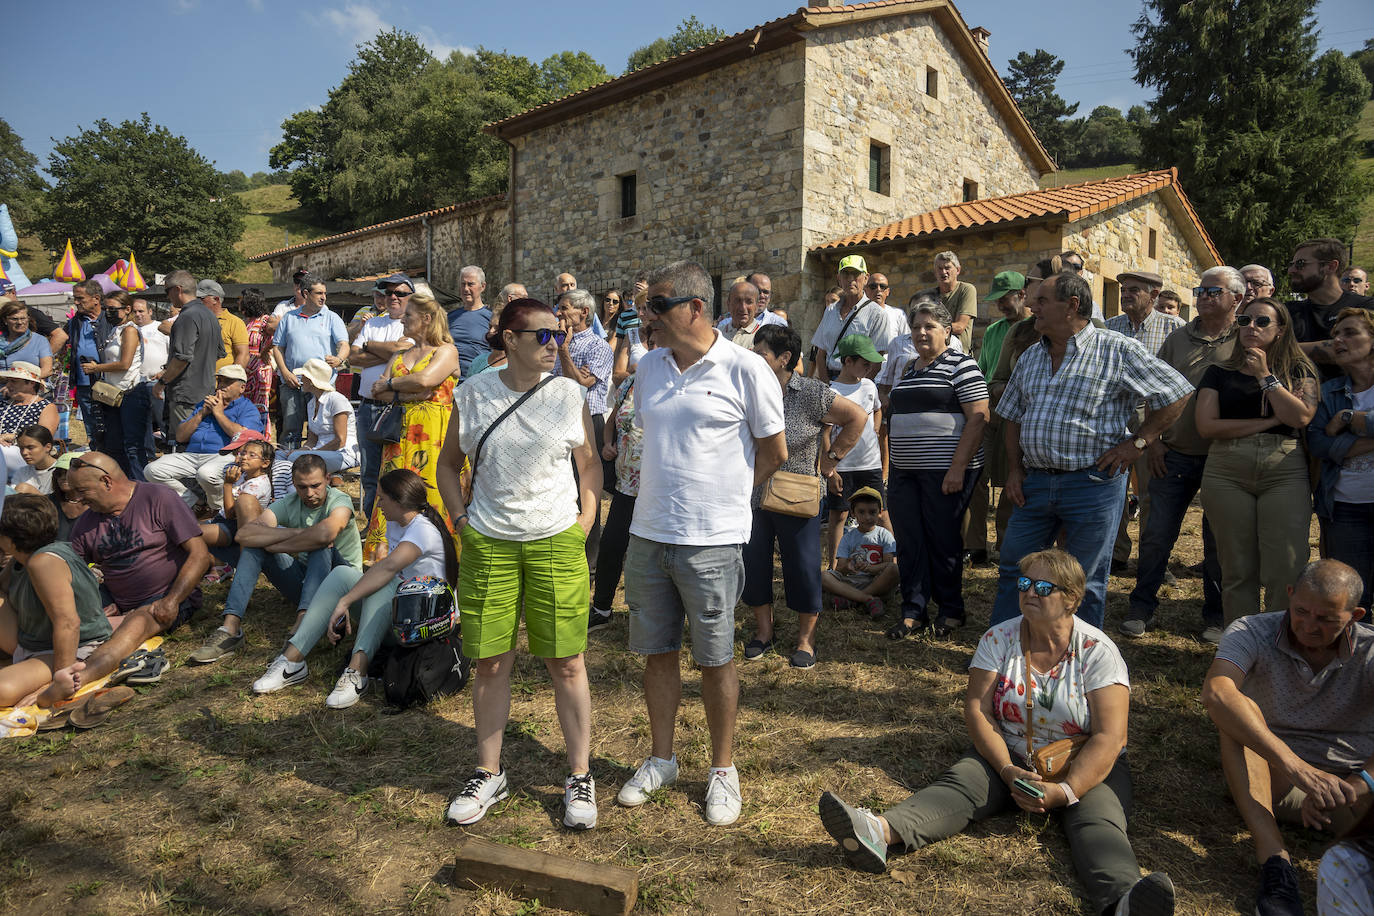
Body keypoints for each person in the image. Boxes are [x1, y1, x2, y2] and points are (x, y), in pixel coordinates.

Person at [818, 548, 1175, 916]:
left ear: (1072, 599)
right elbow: (978, 708)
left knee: (1097, 822)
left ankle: (1124, 902)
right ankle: (877, 832)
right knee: (959, 785)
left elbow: (1110, 737)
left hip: (1085, 762)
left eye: (1041, 586)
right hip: (1010, 754)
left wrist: (1065, 792)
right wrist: (1005, 769)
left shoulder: (1098, 652)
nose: (1029, 593)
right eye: (1023, 583)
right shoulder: (998, 639)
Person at [615, 261, 786, 827]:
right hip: (649, 534)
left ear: (694, 307)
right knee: (657, 652)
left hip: (712, 541)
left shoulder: (746, 369)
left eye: (657, 305)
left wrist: (729, 499)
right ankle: (662, 759)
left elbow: (774, 452)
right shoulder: (649, 369)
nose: (647, 316)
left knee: (716, 658)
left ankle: (721, 770)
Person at [435, 297, 602, 829]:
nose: (555, 345)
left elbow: (590, 465)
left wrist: (585, 519)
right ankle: (489, 772)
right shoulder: (472, 393)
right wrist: (461, 521)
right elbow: (446, 465)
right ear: (509, 339)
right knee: (490, 662)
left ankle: (579, 774)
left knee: (567, 662)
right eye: (543, 336)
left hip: (557, 540)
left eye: (560, 335)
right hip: (490, 543)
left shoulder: (570, 394)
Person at [992, 271, 1192, 629]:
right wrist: (1015, 471)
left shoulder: (1117, 348)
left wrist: (1139, 443)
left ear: (1071, 306)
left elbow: (1177, 392)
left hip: (1093, 484)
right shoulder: (1030, 357)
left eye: (1040, 301)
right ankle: (1006, 647)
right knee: (1015, 568)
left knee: (1085, 579)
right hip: (1034, 484)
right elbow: (1013, 417)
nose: (1030, 306)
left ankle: (1078, 657)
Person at [1200, 559, 1374, 916]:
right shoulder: (1251, 630)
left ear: (1355, 615)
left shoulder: (1371, 650)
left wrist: (1355, 786)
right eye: (1301, 611)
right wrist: (1296, 769)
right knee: (1236, 713)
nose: (1309, 625)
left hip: (1350, 786)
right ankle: (1275, 862)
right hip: (1274, 777)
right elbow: (1217, 692)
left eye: (1326, 619)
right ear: (1289, 595)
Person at [253, 468, 457, 709]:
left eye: (382, 498)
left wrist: (345, 601)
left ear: (399, 500)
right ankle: (292, 660)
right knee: (341, 574)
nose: (377, 503)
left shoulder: (421, 529)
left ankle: (356, 672)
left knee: (385, 583)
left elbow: (389, 568)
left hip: (425, 627)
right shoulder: (396, 522)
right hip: (403, 613)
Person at [1121, 266, 1240, 642]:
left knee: (1217, 540)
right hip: (1172, 453)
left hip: (1224, 456)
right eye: (1199, 290)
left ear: (1236, 298)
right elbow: (1149, 392)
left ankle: (1216, 616)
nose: (1203, 296)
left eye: (1213, 290)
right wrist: (1152, 441)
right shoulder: (1178, 337)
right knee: (1157, 534)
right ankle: (1141, 606)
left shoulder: (1247, 338)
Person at [40, 452, 211, 703]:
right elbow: (65, 566)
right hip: (116, 600)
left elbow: (200, 555)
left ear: (107, 482)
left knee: (138, 622)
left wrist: (172, 601)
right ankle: (47, 673)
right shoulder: (86, 522)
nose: (77, 499)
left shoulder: (158, 497)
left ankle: (78, 680)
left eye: (82, 490)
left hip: (167, 596)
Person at [743, 324, 866, 669]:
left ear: (784, 359)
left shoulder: (811, 392)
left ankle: (805, 641)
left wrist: (830, 461)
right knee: (754, 565)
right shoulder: (747, 391)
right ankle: (763, 633)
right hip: (751, 495)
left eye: (761, 352)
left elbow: (856, 417)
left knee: (803, 569)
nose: (754, 357)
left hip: (797, 497)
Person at [1196, 297, 1318, 624]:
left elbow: (1300, 416)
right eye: (1245, 320)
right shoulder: (1218, 371)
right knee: (1237, 567)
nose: (1251, 327)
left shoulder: (1299, 369)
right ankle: (1243, 644)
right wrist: (1267, 422)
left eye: (1262, 321)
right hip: (1227, 468)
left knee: (1287, 565)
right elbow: (1207, 426)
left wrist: (1266, 375)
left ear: (1280, 331)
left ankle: (1280, 643)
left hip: (1284, 469)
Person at [189, 451, 362, 664]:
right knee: (255, 547)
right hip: (308, 582)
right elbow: (244, 534)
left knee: (321, 545)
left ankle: (303, 625)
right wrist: (298, 535)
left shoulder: (339, 499)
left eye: (315, 485)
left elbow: (326, 535)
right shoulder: (289, 502)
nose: (309, 493)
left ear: (327, 480)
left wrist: (279, 543)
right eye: (302, 487)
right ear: (294, 484)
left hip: (345, 587)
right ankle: (230, 628)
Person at [884, 299, 989, 638]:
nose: (921, 332)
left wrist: (957, 469)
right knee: (910, 541)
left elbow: (978, 418)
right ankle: (913, 610)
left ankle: (951, 609)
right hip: (905, 472)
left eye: (929, 326)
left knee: (942, 540)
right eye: (916, 327)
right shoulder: (908, 368)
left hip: (947, 471)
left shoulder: (962, 365)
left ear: (947, 331)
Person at [362, 292, 459, 560]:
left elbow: (426, 379)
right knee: (393, 494)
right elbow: (376, 390)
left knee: (432, 494)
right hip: (398, 438)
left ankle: (438, 558)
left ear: (426, 319)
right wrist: (411, 393)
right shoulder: (400, 354)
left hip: (434, 439)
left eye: (409, 315)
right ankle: (389, 558)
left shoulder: (446, 351)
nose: (403, 319)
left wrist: (392, 385)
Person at [1104, 270, 1184, 573]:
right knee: (1114, 485)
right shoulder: (1110, 328)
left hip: (1154, 417)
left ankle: (1152, 563)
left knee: (1152, 491)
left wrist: (1160, 434)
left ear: (1154, 295)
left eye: (1134, 290)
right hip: (1115, 414)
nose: (1125, 295)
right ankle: (1117, 554)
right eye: (1123, 289)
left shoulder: (1175, 329)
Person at [0, 495, 111, 707]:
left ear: (11, 539)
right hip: (33, 642)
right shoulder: (21, 559)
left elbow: (68, 623)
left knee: (2, 691)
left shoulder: (44, 562)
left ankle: (51, 677)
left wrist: (58, 679)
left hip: (70, 649)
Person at [588, 326, 655, 631]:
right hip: (627, 483)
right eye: (651, 345)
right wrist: (607, 443)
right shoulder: (630, 382)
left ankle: (649, 613)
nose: (655, 351)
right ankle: (602, 608)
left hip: (658, 488)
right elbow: (613, 420)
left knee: (649, 554)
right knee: (613, 544)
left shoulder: (677, 386)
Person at [1308, 307, 1374, 611]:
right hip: (1346, 509)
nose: (1338, 340)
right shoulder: (1329, 392)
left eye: (1350, 332)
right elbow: (1319, 444)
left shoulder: (1340, 406)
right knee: (1353, 603)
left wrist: (1347, 417)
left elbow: (1332, 439)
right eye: (1335, 334)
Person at [964, 271, 1028, 567]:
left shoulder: (1034, 330)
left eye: (1005, 299)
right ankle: (975, 545)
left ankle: (1005, 542)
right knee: (976, 475)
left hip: (1020, 415)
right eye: (997, 300)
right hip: (990, 410)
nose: (1001, 305)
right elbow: (983, 370)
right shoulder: (993, 331)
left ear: (1022, 295)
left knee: (1013, 481)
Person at [144, 364, 265, 513]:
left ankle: (218, 509)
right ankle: (195, 503)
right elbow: (180, 436)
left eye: (228, 382)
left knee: (206, 473)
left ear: (242, 388)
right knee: (151, 470)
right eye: (220, 381)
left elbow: (246, 438)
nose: (221, 385)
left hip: (223, 455)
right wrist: (202, 413)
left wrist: (219, 413)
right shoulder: (204, 404)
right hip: (191, 454)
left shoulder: (247, 408)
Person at [350, 274, 414, 517]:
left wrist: (368, 346)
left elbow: (403, 349)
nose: (393, 297)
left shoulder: (413, 323)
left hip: (395, 406)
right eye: (389, 293)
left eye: (399, 293)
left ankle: (393, 524)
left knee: (394, 470)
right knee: (369, 471)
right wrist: (388, 352)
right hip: (367, 406)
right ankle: (371, 524)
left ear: (412, 297)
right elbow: (353, 358)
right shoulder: (373, 322)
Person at [824, 334, 887, 570]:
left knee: (881, 513)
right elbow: (825, 434)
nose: (869, 368)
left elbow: (877, 409)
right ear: (848, 361)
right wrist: (831, 470)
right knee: (839, 515)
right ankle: (835, 566)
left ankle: (894, 564)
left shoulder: (870, 386)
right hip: (844, 466)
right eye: (865, 363)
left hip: (870, 463)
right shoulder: (831, 391)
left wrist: (875, 429)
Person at [271, 274, 347, 449]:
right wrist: (285, 372)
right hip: (292, 383)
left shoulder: (331, 317)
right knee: (290, 430)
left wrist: (339, 358)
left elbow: (344, 344)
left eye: (325, 293)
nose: (323, 297)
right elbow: (278, 347)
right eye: (319, 293)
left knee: (324, 429)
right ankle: (287, 469)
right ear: (306, 293)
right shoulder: (289, 318)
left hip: (322, 384)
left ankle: (320, 467)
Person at [1288, 238, 1374, 378]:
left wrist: (1286, 349)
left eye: (1300, 264)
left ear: (1331, 266)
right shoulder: (1288, 312)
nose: (1291, 270)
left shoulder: (1366, 307)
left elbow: (1363, 347)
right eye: (1291, 264)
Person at [82, 292, 144, 479]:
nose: (108, 313)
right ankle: (121, 480)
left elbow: (125, 363)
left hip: (130, 393)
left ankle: (139, 483)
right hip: (113, 394)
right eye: (106, 309)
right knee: (113, 443)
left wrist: (96, 368)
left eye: (112, 309)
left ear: (127, 309)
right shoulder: (114, 330)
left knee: (132, 445)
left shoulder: (130, 330)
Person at [158, 269, 225, 434]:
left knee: (182, 444)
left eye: (167, 291)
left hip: (185, 394)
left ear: (178, 289)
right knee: (199, 442)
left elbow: (182, 358)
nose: (167, 297)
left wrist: (162, 382)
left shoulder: (187, 317)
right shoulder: (210, 316)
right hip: (206, 392)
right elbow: (219, 353)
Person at [812, 255, 893, 382]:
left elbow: (877, 360)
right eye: (845, 274)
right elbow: (821, 353)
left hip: (857, 382)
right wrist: (826, 385)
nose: (850, 279)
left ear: (866, 278)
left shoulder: (877, 314)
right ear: (839, 279)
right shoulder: (830, 310)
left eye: (855, 274)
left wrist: (858, 388)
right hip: (828, 380)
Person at [820, 487, 898, 615]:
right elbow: (840, 568)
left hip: (876, 583)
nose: (867, 517)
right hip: (851, 582)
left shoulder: (885, 535)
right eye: (861, 512)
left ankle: (853, 599)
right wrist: (848, 566)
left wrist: (871, 569)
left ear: (880, 512)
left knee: (895, 569)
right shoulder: (848, 537)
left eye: (872, 512)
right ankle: (867, 599)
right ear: (853, 513)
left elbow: (888, 564)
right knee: (823, 576)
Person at [198, 435, 273, 561]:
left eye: (251, 455)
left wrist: (227, 484)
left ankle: (218, 563)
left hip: (233, 527)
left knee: (190, 535)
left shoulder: (258, 484)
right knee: (185, 527)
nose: (244, 457)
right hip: (221, 520)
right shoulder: (244, 475)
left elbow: (230, 514)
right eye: (243, 453)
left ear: (265, 463)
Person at [280, 358, 358, 474]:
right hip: (320, 453)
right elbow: (311, 441)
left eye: (304, 376)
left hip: (342, 454)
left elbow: (340, 441)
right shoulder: (311, 403)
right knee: (280, 455)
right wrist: (300, 451)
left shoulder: (336, 399)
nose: (301, 379)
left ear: (312, 380)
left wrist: (308, 454)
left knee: (294, 459)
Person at [66, 279, 115, 449]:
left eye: (80, 298)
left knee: (112, 424)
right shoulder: (74, 322)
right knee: (92, 426)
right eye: (75, 298)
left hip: (109, 382)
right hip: (84, 383)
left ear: (96, 298)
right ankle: (97, 453)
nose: (76, 302)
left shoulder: (110, 318)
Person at [238, 287, 274, 438]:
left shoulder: (265, 320)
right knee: (245, 406)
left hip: (260, 369)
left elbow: (281, 333)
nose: (238, 302)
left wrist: (266, 351)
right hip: (246, 370)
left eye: (241, 299)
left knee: (260, 405)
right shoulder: (245, 322)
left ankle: (261, 437)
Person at [925, 250, 979, 352]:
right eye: (939, 269)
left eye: (947, 268)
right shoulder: (929, 296)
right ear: (935, 273)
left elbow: (960, 326)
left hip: (959, 355)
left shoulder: (966, 290)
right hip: (934, 355)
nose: (943, 272)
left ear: (958, 270)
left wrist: (930, 327)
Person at [447, 265, 493, 379]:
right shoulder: (449, 317)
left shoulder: (492, 318)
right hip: (449, 383)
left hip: (478, 383)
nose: (466, 289)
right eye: (463, 284)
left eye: (470, 284)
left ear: (482, 286)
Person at [715, 279, 785, 348]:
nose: (743, 308)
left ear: (757, 306)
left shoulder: (764, 338)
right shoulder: (717, 334)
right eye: (737, 301)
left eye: (749, 302)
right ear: (728, 304)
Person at [0, 362, 59, 442]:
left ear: (31, 383)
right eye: (8, 381)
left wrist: (14, 437)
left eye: (14, 381)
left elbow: (44, 438)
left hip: (26, 452)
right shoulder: (3, 404)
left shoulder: (45, 407)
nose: (8, 385)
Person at [197, 280, 247, 370]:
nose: (197, 302)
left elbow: (243, 354)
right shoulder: (195, 320)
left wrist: (233, 380)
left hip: (221, 382)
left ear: (216, 299)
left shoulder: (235, 322)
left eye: (201, 298)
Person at [0, 300, 53, 377]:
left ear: (28, 318)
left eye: (23, 318)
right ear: (5, 320)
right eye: (14, 319)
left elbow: (47, 370)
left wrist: (23, 381)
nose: (20, 322)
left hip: (28, 386)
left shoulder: (39, 341)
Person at [9, 425, 59, 495]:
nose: (24, 453)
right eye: (21, 448)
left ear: (48, 447)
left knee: (23, 488)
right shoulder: (21, 472)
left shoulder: (61, 471)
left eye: (30, 447)